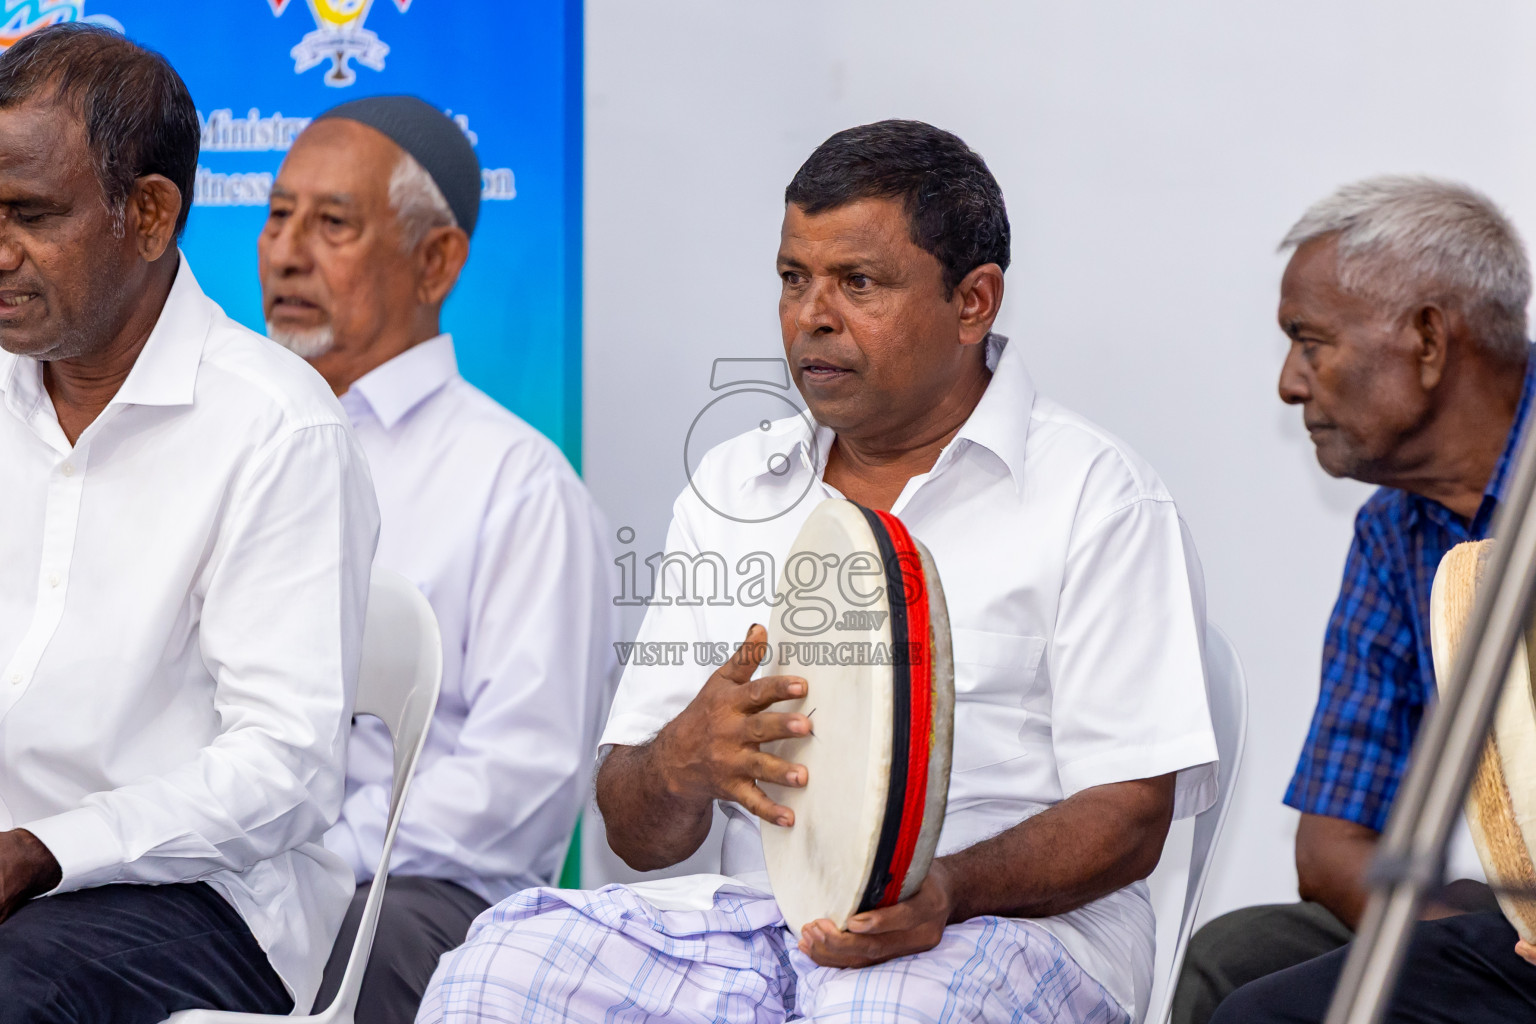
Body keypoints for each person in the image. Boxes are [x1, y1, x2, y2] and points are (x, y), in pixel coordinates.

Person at [416, 119, 1218, 1024]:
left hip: (1002, 929)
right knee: (498, 974)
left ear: (973, 302)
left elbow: (1131, 814)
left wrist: (947, 888)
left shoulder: (1097, 497)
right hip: (756, 925)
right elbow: (635, 834)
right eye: (794, 278)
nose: (811, 315)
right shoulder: (732, 486)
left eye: (858, 283)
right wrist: (682, 759)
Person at [0, 25, 378, 1023]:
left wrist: (44, 848)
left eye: (30, 215)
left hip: (202, 902)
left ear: (150, 215)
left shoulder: (277, 428)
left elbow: (285, 769)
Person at [258, 96, 616, 1023]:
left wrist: (315, 860)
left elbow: (523, 776)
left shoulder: (517, 483)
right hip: (237, 874)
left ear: (437, 261)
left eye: (332, 223)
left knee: (354, 948)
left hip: (419, 897)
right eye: (278, 214)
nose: (286, 252)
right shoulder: (234, 448)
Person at [1174, 176, 1536, 1024]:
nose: (1289, 384)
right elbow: (1335, 846)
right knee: (1236, 959)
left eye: (1311, 341)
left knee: (1270, 1013)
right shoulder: (1395, 531)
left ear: (1428, 340)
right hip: (1518, 927)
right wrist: (1465, 935)